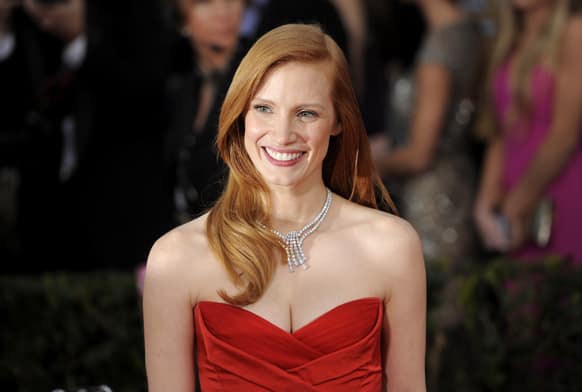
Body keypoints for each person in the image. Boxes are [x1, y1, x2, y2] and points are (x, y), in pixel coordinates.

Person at [143, 24, 426, 391]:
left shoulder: (391, 247)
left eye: (306, 113)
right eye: (263, 108)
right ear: (240, 114)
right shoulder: (175, 259)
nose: (282, 134)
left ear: (338, 121)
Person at [371, 0, 483, 263]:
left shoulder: (439, 49)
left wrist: (361, 164)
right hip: (461, 183)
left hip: (431, 200)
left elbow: (419, 155)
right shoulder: (469, 32)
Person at [474, 0, 582, 264]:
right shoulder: (507, 39)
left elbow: (565, 135)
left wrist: (518, 203)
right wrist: (486, 199)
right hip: (515, 204)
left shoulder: (575, 32)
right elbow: (499, 130)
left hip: (562, 197)